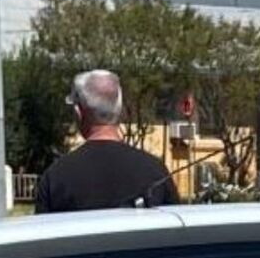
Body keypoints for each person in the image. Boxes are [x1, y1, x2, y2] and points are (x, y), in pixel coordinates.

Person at [34, 70, 180, 213]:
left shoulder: (55, 178)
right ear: (120, 110)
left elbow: (41, 234)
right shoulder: (156, 172)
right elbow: (178, 232)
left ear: (78, 112)